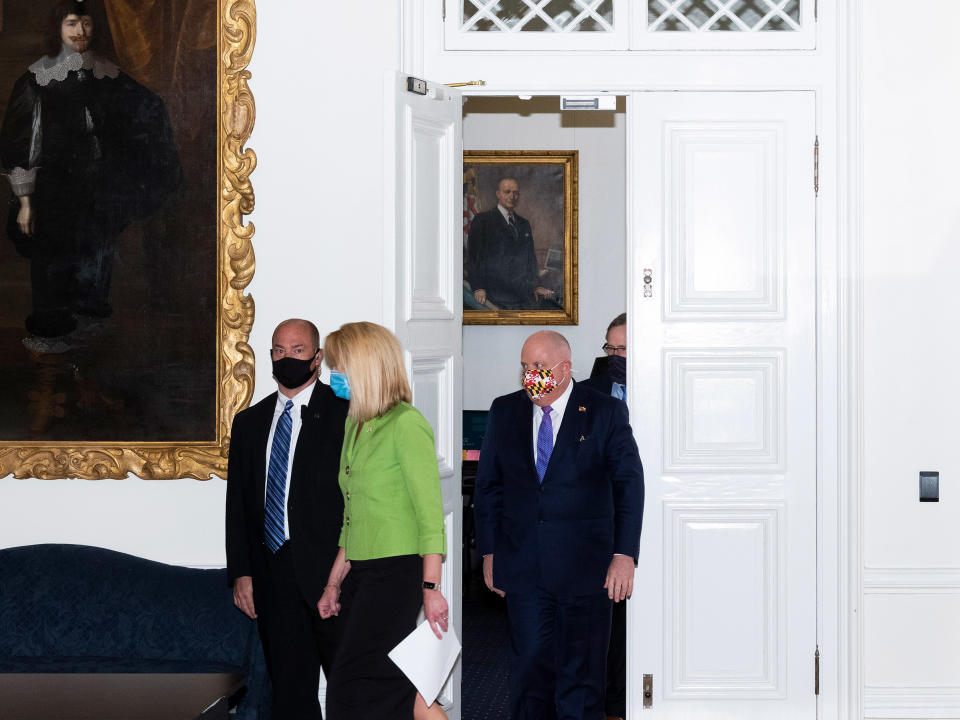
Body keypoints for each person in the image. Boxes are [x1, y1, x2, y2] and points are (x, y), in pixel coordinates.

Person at [474, 330, 644, 720]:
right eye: (524, 367)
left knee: (581, 678)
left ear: (564, 368)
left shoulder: (604, 412)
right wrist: (489, 551)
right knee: (529, 669)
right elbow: (489, 487)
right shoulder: (506, 410)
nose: (529, 375)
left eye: (538, 367)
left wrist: (624, 554)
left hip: (587, 570)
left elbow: (629, 486)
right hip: (524, 567)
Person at [0, 0, 181, 353]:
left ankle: (89, 325)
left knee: (96, 254)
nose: (80, 32)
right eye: (71, 24)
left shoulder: (106, 73)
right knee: (52, 259)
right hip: (51, 192)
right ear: (58, 29)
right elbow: (23, 142)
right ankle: (51, 332)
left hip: (97, 190)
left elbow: (145, 108)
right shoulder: (38, 79)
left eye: (86, 24)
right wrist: (24, 201)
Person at [317, 321, 449, 720]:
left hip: (396, 576)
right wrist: (333, 583)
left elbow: (430, 518)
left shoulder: (406, 424)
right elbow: (352, 519)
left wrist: (431, 588)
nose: (333, 376)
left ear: (366, 368)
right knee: (399, 689)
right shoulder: (355, 424)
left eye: (340, 367)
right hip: (361, 575)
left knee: (351, 690)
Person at [225, 318, 348, 719]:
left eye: (297, 350)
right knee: (291, 696)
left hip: (333, 575)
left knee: (353, 689)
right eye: (279, 350)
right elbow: (239, 505)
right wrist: (242, 573)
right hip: (273, 577)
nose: (287, 357)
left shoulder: (347, 416)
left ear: (318, 358)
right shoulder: (249, 423)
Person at [584, 313, 628, 720]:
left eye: (623, 350)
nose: (614, 357)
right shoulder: (587, 394)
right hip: (602, 519)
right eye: (609, 349)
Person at [466, 177, 554, 310]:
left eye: (515, 193)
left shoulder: (524, 224)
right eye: (507, 192)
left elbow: (530, 259)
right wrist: (478, 287)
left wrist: (536, 286)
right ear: (498, 194)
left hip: (523, 295)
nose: (512, 196)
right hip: (495, 295)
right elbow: (473, 258)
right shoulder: (483, 220)